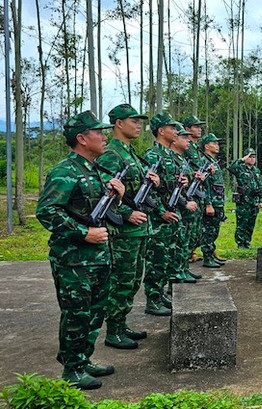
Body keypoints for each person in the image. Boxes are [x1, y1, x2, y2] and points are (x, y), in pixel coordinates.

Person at [36, 110, 125, 390]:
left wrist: (118, 198)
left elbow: (100, 212)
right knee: (76, 314)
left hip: (98, 256)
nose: (104, 136)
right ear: (82, 138)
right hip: (73, 260)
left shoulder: (96, 170)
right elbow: (47, 211)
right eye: (98, 132)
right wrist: (82, 233)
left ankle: (83, 358)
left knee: (95, 312)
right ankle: (71, 370)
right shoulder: (66, 170)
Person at [95, 104, 158, 349]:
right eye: (134, 120)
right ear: (119, 123)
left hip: (139, 230)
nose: (139, 125)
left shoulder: (131, 153)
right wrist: (126, 212)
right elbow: (104, 193)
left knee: (132, 281)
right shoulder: (112, 154)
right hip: (123, 231)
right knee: (121, 281)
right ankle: (113, 330)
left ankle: (121, 324)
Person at [143, 112, 191, 316]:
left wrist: (183, 184)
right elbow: (147, 191)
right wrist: (161, 212)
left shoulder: (171, 156)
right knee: (157, 258)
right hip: (158, 218)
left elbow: (169, 186)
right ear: (161, 131)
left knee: (167, 258)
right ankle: (152, 299)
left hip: (172, 214)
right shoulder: (152, 155)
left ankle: (160, 292)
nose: (176, 131)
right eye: (172, 128)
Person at [168, 124, 202, 282]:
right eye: (184, 137)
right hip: (176, 208)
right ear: (174, 140)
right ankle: (178, 272)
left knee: (185, 240)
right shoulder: (170, 158)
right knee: (177, 243)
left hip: (186, 206)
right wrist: (184, 202)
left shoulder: (181, 159)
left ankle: (184, 268)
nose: (188, 140)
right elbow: (168, 188)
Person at [181, 115, 208, 271]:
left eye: (200, 126)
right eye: (196, 126)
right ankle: (184, 261)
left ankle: (188, 256)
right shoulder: (186, 147)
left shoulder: (196, 149)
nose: (199, 128)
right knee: (188, 231)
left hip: (197, 192)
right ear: (187, 129)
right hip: (188, 194)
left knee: (196, 231)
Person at [199, 133, 226, 267]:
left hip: (218, 201)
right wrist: (208, 204)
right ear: (206, 146)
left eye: (217, 143)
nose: (217, 145)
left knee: (214, 230)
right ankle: (207, 257)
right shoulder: (204, 162)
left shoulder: (213, 162)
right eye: (214, 143)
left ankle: (211, 254)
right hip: (212, 203)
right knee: (208, 231)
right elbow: (205, 185)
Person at [228, 148, 262, 249]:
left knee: (251, 223)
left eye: (254, 157)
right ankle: (240, 243)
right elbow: (231, 168)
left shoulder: (256, 170)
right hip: (243, 201)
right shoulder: (240, 168)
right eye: (250, 157)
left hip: (254, 201)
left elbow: (260, 185)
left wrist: (261, 200)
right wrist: (242, 159)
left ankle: (247, 242)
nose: (252, 159)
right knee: (242, 223)